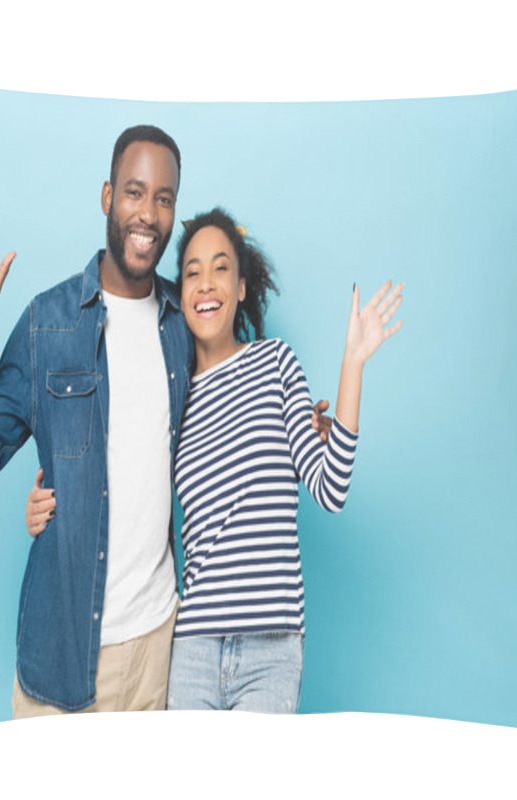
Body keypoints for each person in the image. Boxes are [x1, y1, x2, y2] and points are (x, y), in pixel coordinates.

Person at [0, 127, 331, 718]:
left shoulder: (185, 322)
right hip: (61, 658)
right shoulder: (46, 325)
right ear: (108, 197)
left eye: (163, 198)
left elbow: (230, 402)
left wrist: (298, 425)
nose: (148, 214)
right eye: (135, 192)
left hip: (163, 651)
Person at [26, 207, 403, 712]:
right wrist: (48, 500)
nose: (206, 284)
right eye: (193, 273)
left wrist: (352, 364)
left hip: (273, 648)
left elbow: (331, 487)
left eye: (221, 268)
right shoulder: (173, 394)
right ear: (180, 295)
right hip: (192, 648)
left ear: (242, 287)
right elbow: (121, 480)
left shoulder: (275, 364)